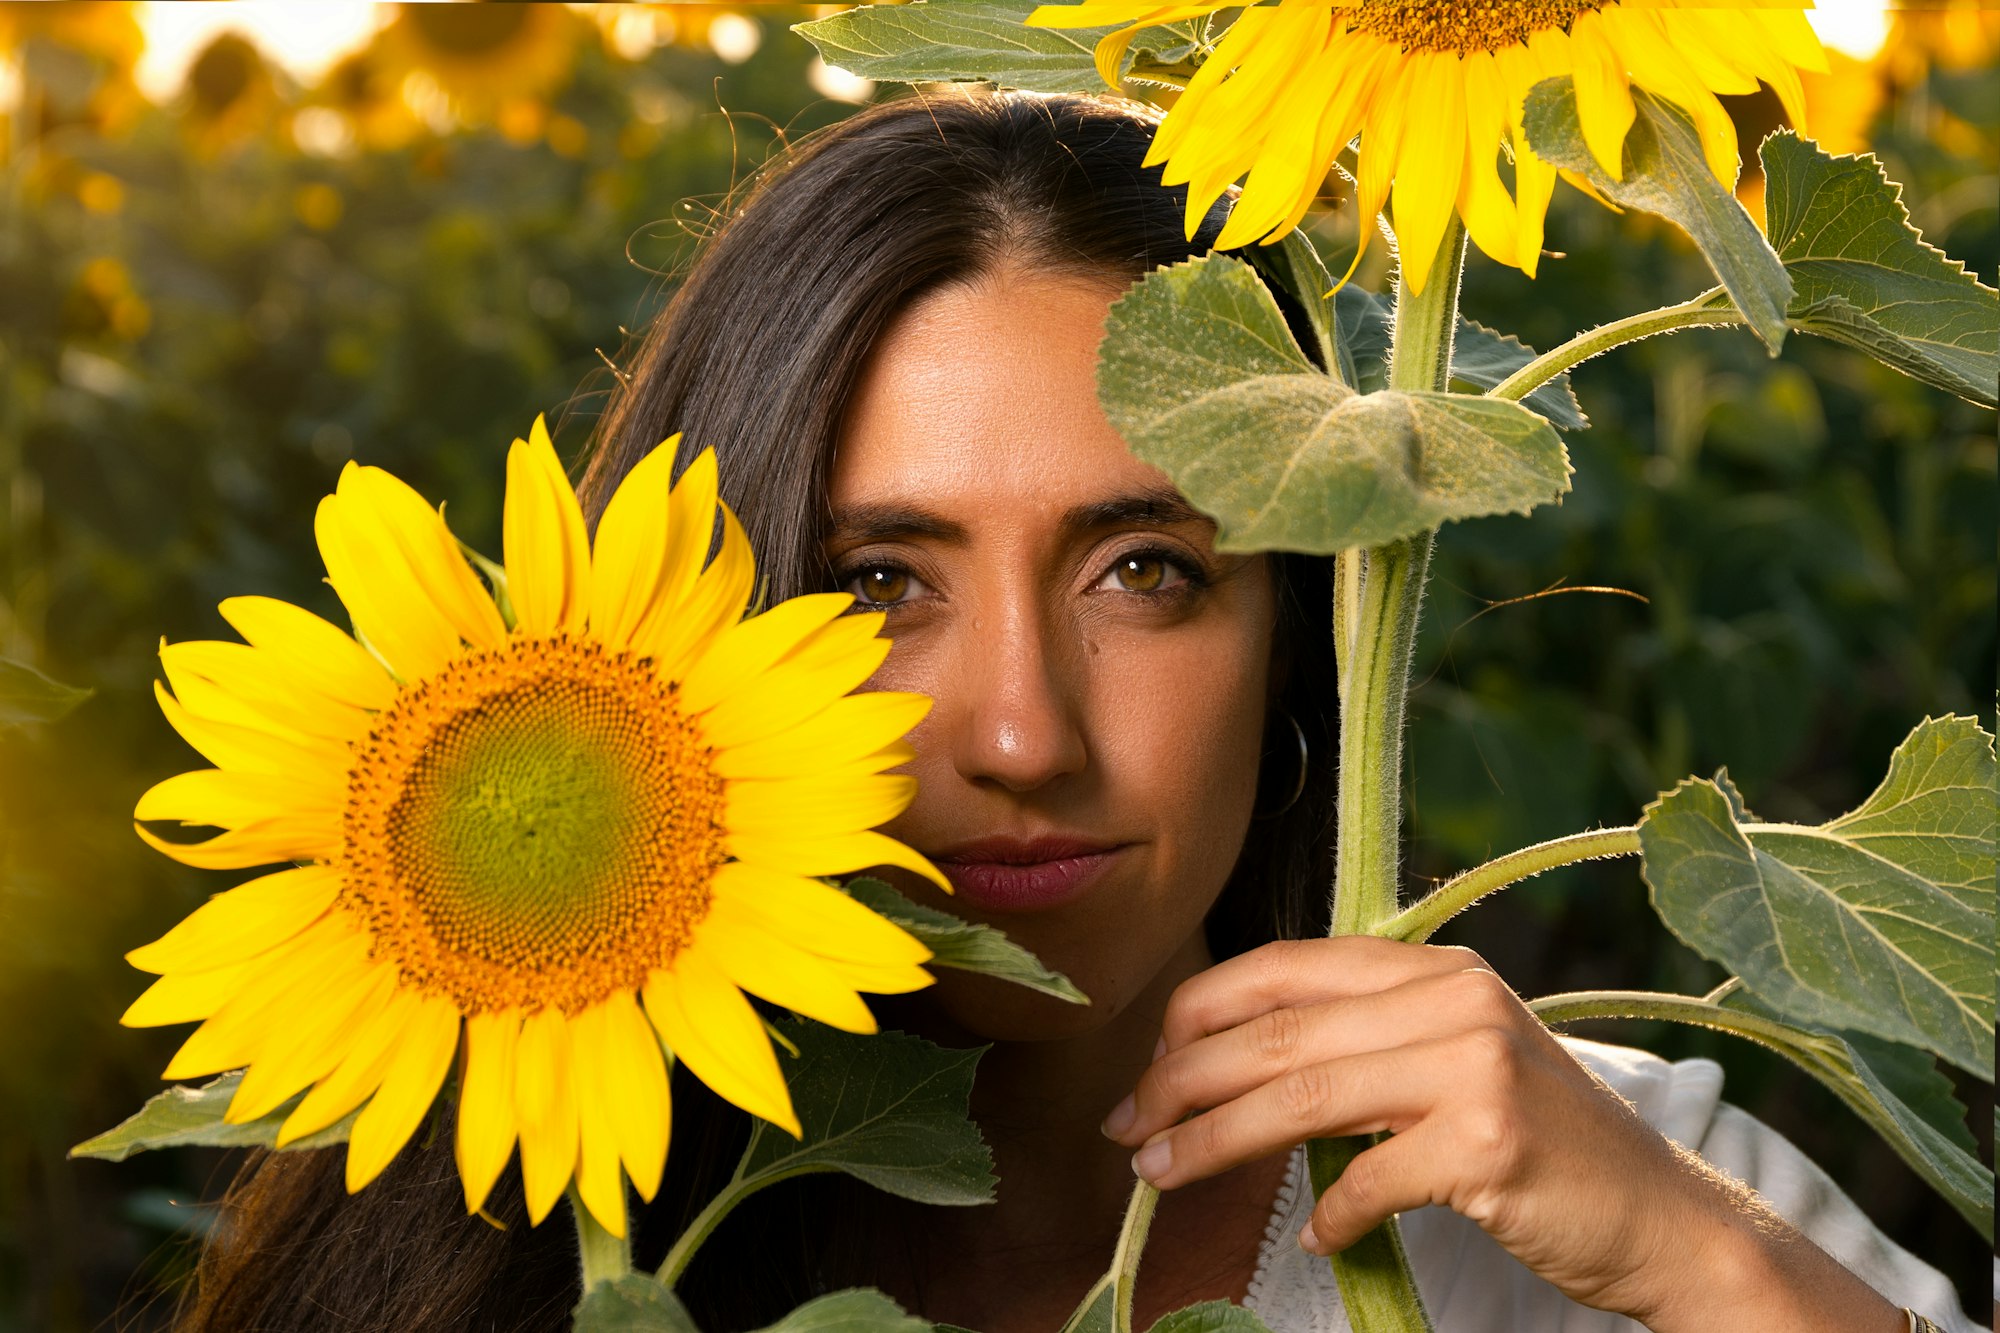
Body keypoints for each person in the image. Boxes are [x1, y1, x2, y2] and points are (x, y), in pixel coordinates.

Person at [177, 88, 1980, 1333]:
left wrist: (1708, 1266)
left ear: (1304, 637)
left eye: (1146, 571)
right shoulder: (502, 1218)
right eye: (878, 583)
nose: (1023, 735)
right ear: (682, 636)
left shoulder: (1603, 1189)